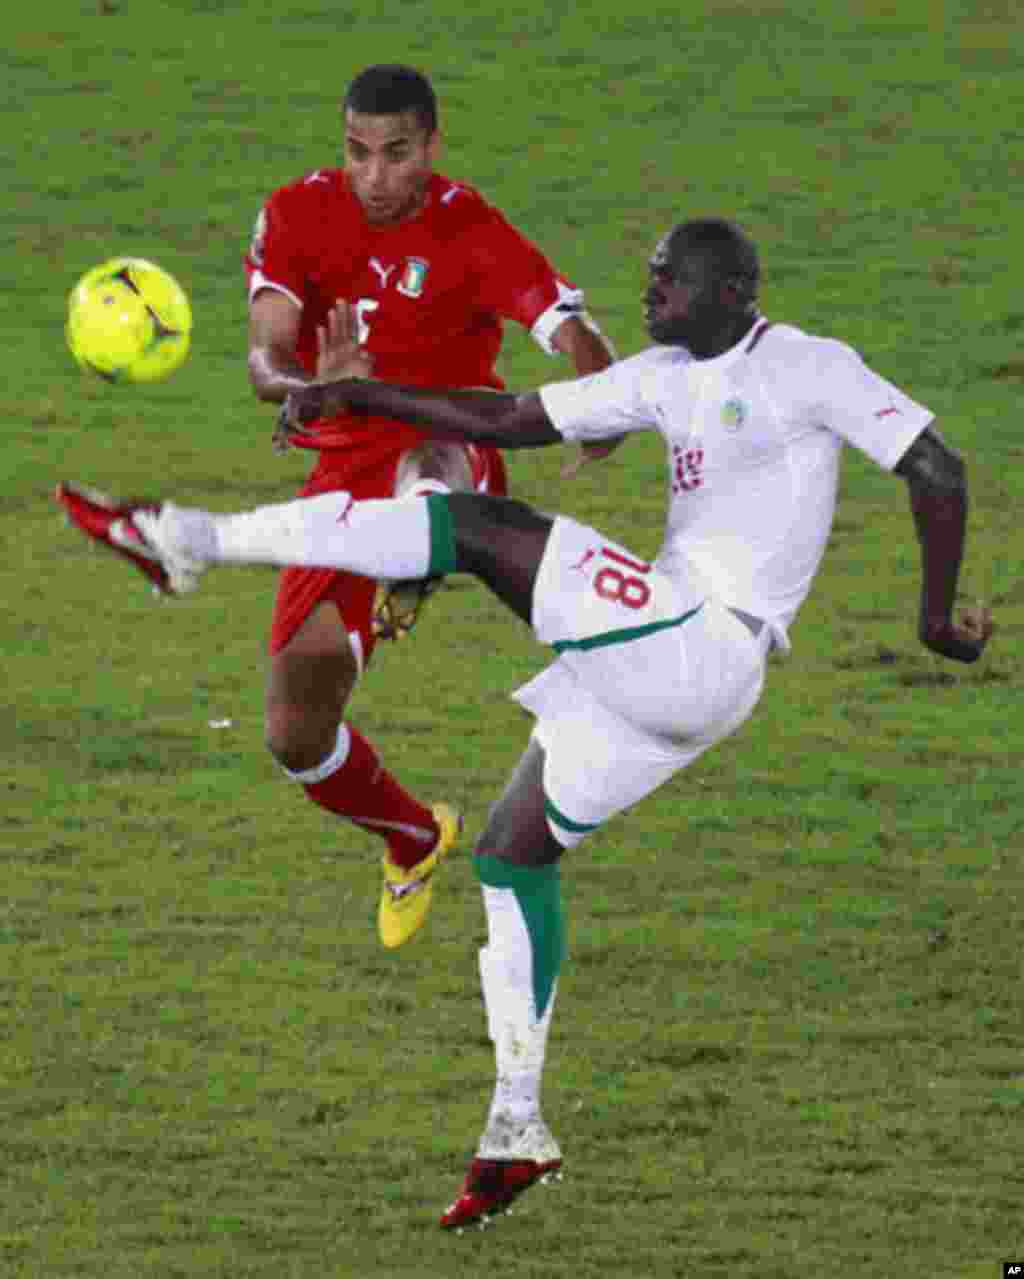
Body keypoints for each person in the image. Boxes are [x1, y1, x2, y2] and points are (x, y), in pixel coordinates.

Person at [56, 217, 992, 1230]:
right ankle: (515, 1129)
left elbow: (935, 468)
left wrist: (936, 618)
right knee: (509, 855)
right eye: (650, 278)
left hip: (702, 643)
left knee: (474, 528)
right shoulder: (663, 372)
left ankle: (188, 539)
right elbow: (504, 418)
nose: (649, 292)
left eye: (670, 281)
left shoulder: (809, 366)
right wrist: (355, 392)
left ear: (733, 291)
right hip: (670, 661)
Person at [242, 62, 615, 949]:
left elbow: (573, 336)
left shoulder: (471, 228)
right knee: (295, 729)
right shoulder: (296, 212)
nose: (374, 175)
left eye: (396, 153)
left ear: (432, 147)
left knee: (432, 462)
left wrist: (603, 408)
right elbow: (265, 361)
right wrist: (309, 387)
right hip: (342, 471)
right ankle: (412, 836)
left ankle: (426, 546)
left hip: (453, 440)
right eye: (358, 153)